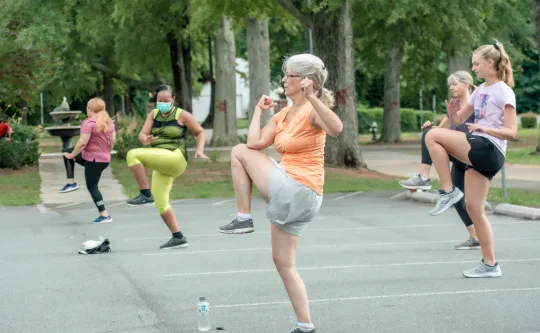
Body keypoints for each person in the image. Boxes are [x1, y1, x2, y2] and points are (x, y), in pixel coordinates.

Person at [218, 54, 343, 333]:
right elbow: (255, 142)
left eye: (289, 75)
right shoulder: (283, 114)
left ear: (305, 81)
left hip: (298, 188)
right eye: (284, 74)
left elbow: (336, 128)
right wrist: (257, 111)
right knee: (283, 263)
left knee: (237, 152)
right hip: (302, 196)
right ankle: (305, 325)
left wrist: (313, 98)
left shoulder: (313, 109)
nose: (284, 80)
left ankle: (243, 216)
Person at [424, 40, 517, 278]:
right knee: (474, 208)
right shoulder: (480, 92)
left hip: (490, 148)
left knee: (432, 135)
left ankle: (448, 191)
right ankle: (490, 264)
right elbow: (458, 124)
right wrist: (454, 114)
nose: (473, 68)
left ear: (489, 63)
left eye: (476, 64)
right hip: (479, 150)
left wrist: (486, 130)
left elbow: (511, 131)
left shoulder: (503, 91)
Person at [399, 71, 480, 250]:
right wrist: (431, 127)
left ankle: (424, 177)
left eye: (455, 84)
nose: (451, 88)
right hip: (460, 156)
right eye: (450, 85)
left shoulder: (474, 103)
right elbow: (440, 129)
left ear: (466, 84)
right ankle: (475, 237)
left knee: (430, 135)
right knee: (457, 198)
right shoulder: (455, 105)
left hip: (471, 154)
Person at [125, 85, 209, 249]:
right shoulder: (154, 114)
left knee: (132, 155)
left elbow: (200, 132)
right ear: (155, 101)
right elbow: (142, 135)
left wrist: (199, 150)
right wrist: (145, 139)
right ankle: (178, 237)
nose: (162, 103)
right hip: (161, 160)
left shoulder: (181, 115)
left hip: (175, 157)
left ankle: (144, 194)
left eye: (166, 101)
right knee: (161, 203)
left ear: (173, 100)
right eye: (159, 101)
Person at [60, 97, 116, 223]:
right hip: (102, 159)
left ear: (89, 109)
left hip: (94, 160)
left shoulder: (89, 122)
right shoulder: (109, 123)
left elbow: (82, 142)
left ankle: (104, 215)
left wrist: (73, 155)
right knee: (66, 152)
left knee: (92, 187)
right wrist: (105, 152)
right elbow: (112, 142)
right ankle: (71, 182)